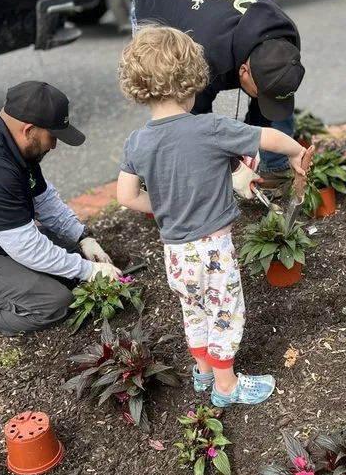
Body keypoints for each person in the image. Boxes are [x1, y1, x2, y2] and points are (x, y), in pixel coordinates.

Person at [116, 25, 311, 407]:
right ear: (192, 79)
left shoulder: (137, 141)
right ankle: (226, 386)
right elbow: (267, 138)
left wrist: (161, 205)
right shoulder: (209, 127)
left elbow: (125, 195)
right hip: (213, 251)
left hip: (175, 253)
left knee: (195, 311)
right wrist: (293, 152)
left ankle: (203, 372)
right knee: (225, 312)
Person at [0, 81, 121, 334]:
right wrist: (89, 271)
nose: (54, 145)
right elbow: (26, 247)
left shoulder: (11, 142)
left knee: (72, 256)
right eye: (52, 136)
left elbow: (43, 198)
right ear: (29, 130)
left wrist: (82, 237)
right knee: (53, 303)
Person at [131, 0, 305, 195]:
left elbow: (274, 89)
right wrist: (232, 167)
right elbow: (193, 124)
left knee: (274, 93)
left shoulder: (285, 39)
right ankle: (175, 184)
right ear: (243, 71)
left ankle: (273, 168)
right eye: (260, 92)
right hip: (157, 1)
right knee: (169, 103)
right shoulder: (204, 58)